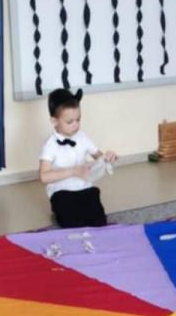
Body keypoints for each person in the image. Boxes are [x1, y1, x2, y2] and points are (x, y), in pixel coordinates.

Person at [39, 88, 117, 228]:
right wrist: (73, 171)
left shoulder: (82, 137)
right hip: (62, 191)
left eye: (78, 120)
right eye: (70, 122)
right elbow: (44, 177)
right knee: (72, 223)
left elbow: (98, 156)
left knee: (99, 220)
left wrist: (108, 157)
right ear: (54, 121)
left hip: (84, 188)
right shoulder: (50, 145)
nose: (76, 125)